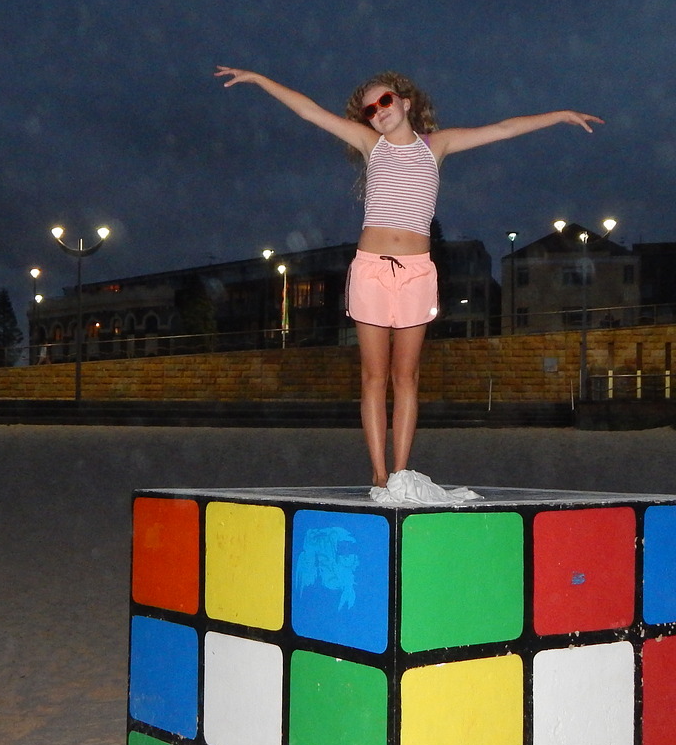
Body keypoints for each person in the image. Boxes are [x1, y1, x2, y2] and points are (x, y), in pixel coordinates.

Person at [216, 66, 601, 489]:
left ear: (405, 103)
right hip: (371, 269)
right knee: (373, 377)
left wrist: (560, 114)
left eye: (385, 101)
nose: (377, 111)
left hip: (417, 273)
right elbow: (309, 111)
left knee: (407, 376)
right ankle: (379, 475)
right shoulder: (371, 144)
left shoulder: (436, 146)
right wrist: (258, 79)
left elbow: (505, 129)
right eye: (369, 109)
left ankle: (400, 470)